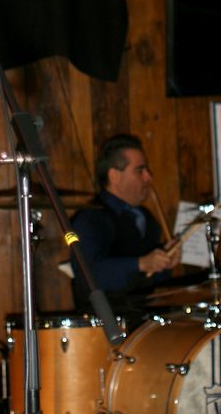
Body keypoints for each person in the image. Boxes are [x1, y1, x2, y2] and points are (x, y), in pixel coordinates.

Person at [70, 134, 180, 317]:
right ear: (114, 176)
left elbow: (151, 282)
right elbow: (88, 275)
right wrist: (141, 263)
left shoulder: (146, 218)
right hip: (106, 324)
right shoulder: (90, 218)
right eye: (140, 170)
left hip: (147, 317)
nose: (149, 177)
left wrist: (165, 262)